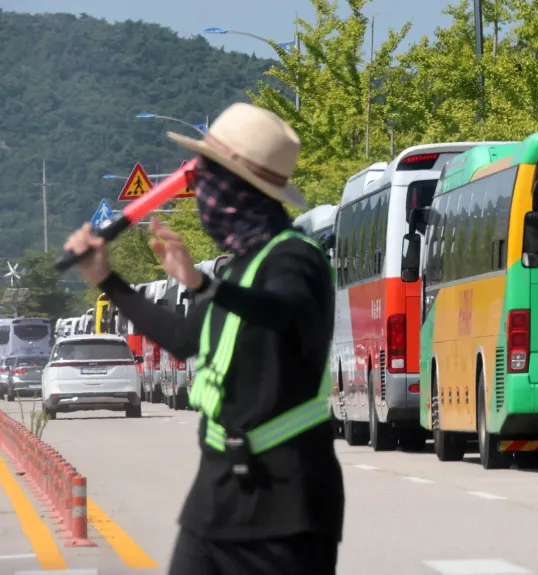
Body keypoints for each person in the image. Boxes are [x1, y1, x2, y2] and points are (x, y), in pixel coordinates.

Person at [63, 103, 343, 575]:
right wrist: (108, 282)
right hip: (216, 497)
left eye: (210, 178)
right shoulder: (238, 266)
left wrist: (203, 284)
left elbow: (286, 312)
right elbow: (183, 338)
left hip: (287, 503)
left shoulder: (298, 259)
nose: (201, 192)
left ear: (242, 189)